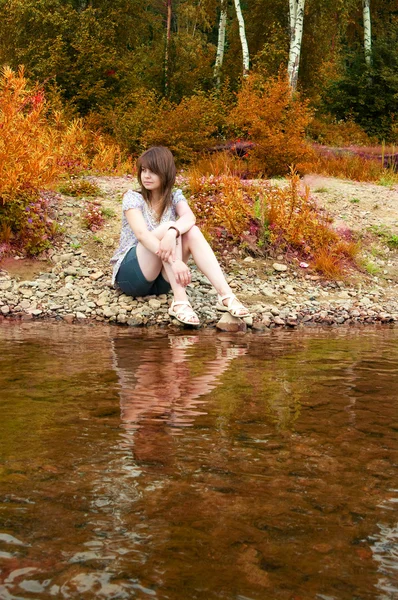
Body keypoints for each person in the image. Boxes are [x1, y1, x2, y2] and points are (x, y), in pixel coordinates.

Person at [111, 146, 251, 325]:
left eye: (152, 171)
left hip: (161, 280)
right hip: (132, 276)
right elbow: (142, 235)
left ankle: (225, 295)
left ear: (165, 172)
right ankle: (180, 302)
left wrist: (172, 233)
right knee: (170, 226)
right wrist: (175, 260)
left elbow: (190, 217)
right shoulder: (133, 197)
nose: (146, 176)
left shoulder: (175, 196)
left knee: (189, 230)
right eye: (143, 170)